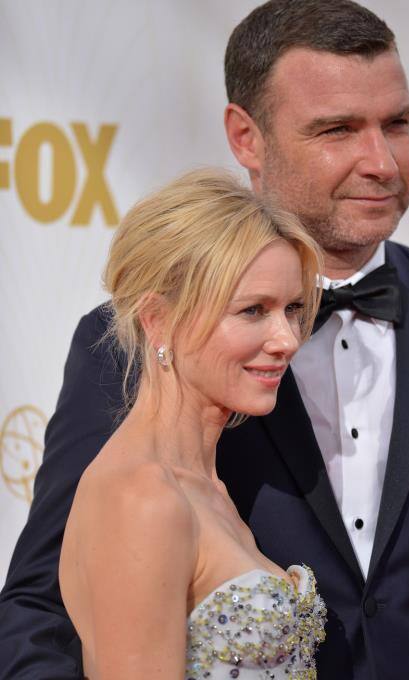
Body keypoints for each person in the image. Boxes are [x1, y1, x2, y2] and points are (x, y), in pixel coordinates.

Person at [0, 1, 409, 679]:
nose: (381, 161)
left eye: (397, 124)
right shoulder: (135, 339)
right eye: (337, 129)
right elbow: (42, 611)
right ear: (246, 137)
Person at [59, 168, 326, 679]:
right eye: (253, 310)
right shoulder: (143, 498)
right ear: (158, 320)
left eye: (292, 308)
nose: (288, 339)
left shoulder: (204, 485)